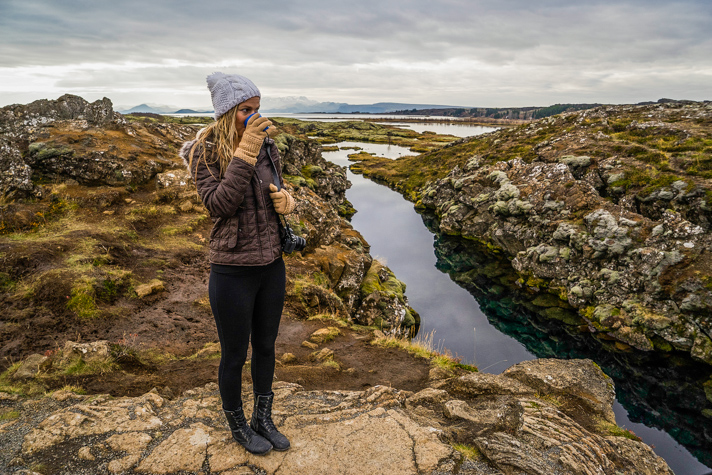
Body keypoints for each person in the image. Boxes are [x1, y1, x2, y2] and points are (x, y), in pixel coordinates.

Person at [180, 72, 297, 455]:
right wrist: (245, 150)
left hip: (271, 263)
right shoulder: (205, 151)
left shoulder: (267, 146)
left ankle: (264, 417)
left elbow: (277, 185)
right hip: (232, 268)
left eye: (257, 109)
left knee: (266, 346)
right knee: (235, 353)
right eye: (246, 110)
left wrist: (287, 201)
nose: (254, 116)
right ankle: (239, 426)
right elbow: (219, 205)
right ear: (227, 112)